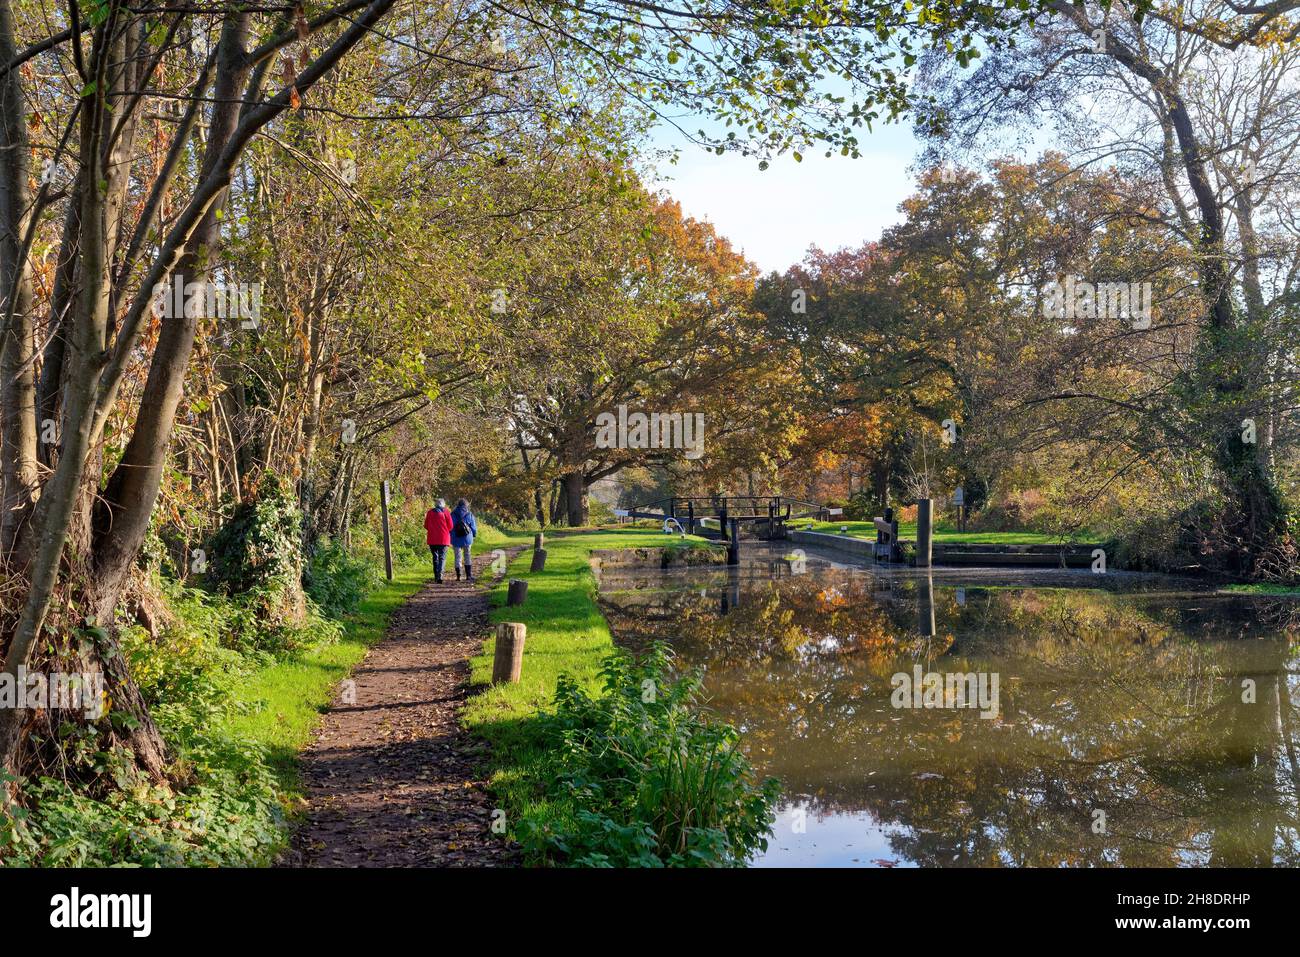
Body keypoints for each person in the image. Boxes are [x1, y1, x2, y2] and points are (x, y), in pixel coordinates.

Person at [424, 498, 453, 583]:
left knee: (435, 558)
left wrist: (433, 529)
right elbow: (451, 526)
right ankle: (440, 576)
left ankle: (436, 576)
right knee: (442, 558)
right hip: (443, 539)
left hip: (432, 539)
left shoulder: (430, 512)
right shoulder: (446, 512)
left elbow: (426, 525)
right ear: (443, 505)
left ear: (435, 504)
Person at [450, 497, 478, 581]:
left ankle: (458, 576)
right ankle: (468, 576)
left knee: (457, 556)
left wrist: (451, 536)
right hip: (467, 538)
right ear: (466, 505)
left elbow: (450, 527)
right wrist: (474, 535)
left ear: (458, 505)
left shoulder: (453, 514)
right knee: (467, 555)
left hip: (456, 538)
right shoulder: (469, 514)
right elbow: (473, 527)